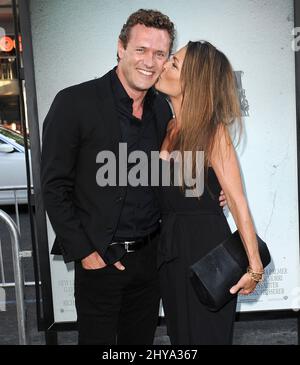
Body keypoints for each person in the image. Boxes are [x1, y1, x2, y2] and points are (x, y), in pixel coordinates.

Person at [41, 10, 226, 345]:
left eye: (160, 54)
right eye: (141, 50)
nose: (150, 62)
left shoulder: (162, 110)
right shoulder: (74, 102)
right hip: (100, 260)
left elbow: (164, 173)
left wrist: (211, 193)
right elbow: (54, 187)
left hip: (152, 259)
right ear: (121, 47)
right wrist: (86, 253)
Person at [155, 41, 264, 345]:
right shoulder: (168, 125)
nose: (163, 65)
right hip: (171, 251)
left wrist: (254, 267)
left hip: (206, 253)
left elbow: (239, 200)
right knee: (181, 339)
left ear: (195, 81)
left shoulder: (213, 130)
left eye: (173, 64)